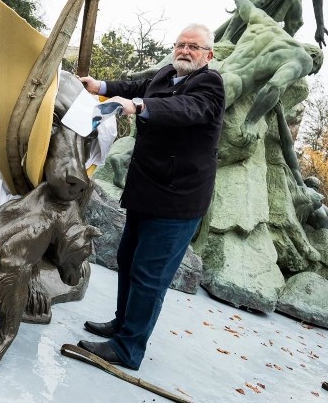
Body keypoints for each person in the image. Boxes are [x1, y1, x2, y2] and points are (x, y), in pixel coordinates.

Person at [76, 23, 225, 370]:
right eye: (181, 45)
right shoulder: (165, 75)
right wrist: (99, 86)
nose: (185, 51)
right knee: (128, 260)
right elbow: (134, 86)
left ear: (209, 55)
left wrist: (139, 106)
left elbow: (186, 109)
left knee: (150, 274)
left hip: (178, 200)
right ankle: (122, 324)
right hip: (147, 190)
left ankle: (128, 349)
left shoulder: (210, 85)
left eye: (194, 46)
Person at [220, 0, 322, 145]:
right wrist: (250, 122)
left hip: (214, 68)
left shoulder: (265, 22)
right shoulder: (303, 59)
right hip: (229, 85)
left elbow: (241, 1)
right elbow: (274, 86)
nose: (307, 74)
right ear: (314, 57)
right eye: (313, 70)